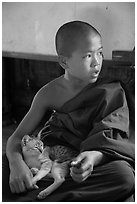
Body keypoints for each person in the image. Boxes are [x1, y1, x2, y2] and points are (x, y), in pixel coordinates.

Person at [3, 21, 135, 202]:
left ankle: (40, 192)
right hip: (51, 160)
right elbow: (16, 139)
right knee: (5, 169)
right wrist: (17, 165)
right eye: (88, 56)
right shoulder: (48, 94)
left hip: (87, 164)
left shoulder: (110, 90)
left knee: (123, 177)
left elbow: (114, 139)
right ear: (64, 61)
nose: (97, 62)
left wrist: (93, 158)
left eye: (100, 53)